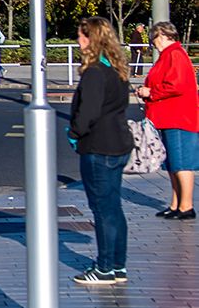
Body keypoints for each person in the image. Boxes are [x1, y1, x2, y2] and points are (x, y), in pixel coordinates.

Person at [68, 16, 133, 285]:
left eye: (82, 36)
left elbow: (89, 113)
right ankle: (117, 265)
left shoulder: (95, 72)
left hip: (99, 146)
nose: (78, 41)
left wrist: (74, 132)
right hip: (118, 143)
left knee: (102, 209)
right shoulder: (116, 69)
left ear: (92, 38)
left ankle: (105, 268)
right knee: (113, 207)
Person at [136, 21, 198, 221]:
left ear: (161, 35)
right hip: (168, 117)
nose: (153, 43)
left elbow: (176, 85)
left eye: (154, 38)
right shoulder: (168, 55)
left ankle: (186, 206)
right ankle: (176, 204)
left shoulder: (175, 54)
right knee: (172, 163)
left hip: (178, 117)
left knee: (182, 163)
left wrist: (151, 92)